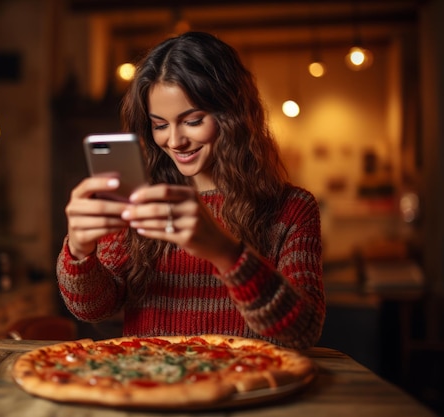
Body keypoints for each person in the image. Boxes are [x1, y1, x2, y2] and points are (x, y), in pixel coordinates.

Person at [56, 31, 325, 350]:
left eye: (193, 121)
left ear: (234, 115)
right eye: (159, 125)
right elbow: (92, 309)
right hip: (150, 384)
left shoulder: (292, 209)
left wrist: (226, 253)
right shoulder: (142, 201)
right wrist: (79, 251)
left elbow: (303, 330)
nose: (174, 140)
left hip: (248, 386)